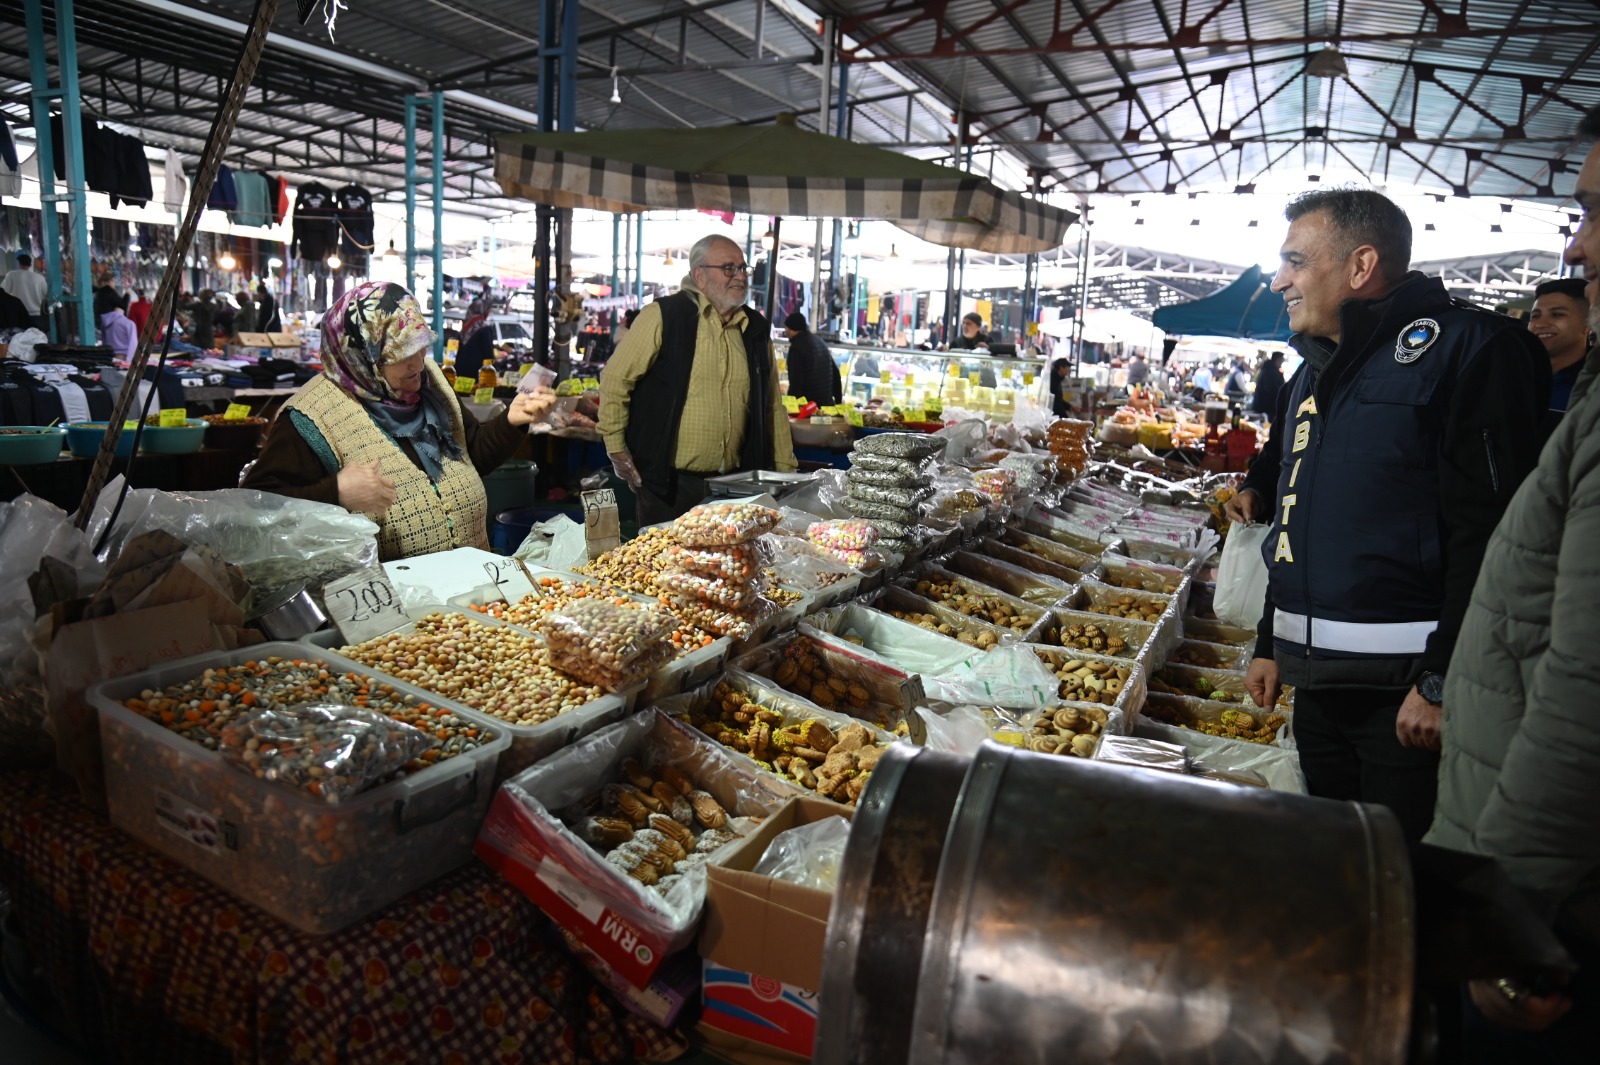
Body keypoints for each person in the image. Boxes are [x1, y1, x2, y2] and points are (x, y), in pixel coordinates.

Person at [1226, 187, 1548, 845]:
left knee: (1401, 877)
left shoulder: (1472, 348)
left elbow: (1494, 535)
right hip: (1317, 690)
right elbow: (1296, 517)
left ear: (1361, 265)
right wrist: (1270, 643)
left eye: (1294, 261)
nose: (1279, 280)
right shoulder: (1310, 372)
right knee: (1336, 864)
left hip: (1405, 700)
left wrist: (1443, 679)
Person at [1423, 106, 1600, 1063]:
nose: (1578, 246)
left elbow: (1588, 682)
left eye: (1597, 213)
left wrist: (1506, 917)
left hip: (1547, 917)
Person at [243, 281, 555, 561]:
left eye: (420, 347)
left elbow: (470, 454)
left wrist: (512, 421)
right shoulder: (311, 415)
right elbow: (254, 509)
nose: (418, 364)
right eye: (401, 354)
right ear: (362, 355)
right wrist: (335, 493)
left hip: (470, 589)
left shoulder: (431, 384)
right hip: (384, 599)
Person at [599, 234, 797, 527]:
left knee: (730, 557)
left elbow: (772, 407)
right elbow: (616, 380)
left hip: (736, 487)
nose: (740, 276)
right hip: (669, 486)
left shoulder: (755, 330)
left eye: (743, 268)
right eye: (728, 268)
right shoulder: (663, 316)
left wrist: (785, 471)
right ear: (699, 275)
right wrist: (616, 447)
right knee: (665, 556)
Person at [1527, 276, 1590, 416]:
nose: (1540, 324)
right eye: (1535, 316)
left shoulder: (1592, 388)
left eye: (1557, 314)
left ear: (1588, 324)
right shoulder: (1510, 377)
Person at [782, 311, 842, 406]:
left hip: (809, 407)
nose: (785, 331)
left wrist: (791, 407)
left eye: (786, 328)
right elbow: (836, 373)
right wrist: (838, 402)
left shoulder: (797, 347)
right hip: (826, 405)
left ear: (791, 329)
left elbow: (796, 382)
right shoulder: (819, 342)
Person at [2, 253, 47, 332]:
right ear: (30, 264)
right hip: (36, 314)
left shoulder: (11, 275)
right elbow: (45, 295)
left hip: (18, 314)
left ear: (19, 263)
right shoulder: (40, 278)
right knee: (37, 337)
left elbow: (4, 293)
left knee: (19, 338)